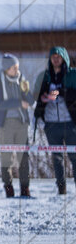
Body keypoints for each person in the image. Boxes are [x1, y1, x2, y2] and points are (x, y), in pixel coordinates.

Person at [0, 53, 35, 198]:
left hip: (21, 123)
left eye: (17, 67)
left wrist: (27, 91)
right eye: (13, 68)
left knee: (23, 157)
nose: (16, 70)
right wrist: (18, 103)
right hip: (4, 125)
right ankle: (8, 187)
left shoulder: (21, 79)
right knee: (7, 157)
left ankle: (25, 188)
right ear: (6, 68)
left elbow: (30, 101)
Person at [33, 46, 76, 195]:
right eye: (53, 57)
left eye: (59, 56)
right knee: (56, 158)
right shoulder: (45, 76)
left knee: (74, 157)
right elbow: (36, 96)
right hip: (51, 124)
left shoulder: (73, 75)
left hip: (70, 124)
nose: (56, 59)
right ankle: (61, 189)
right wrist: (44, 99)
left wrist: (62, 93)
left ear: (64, 58)